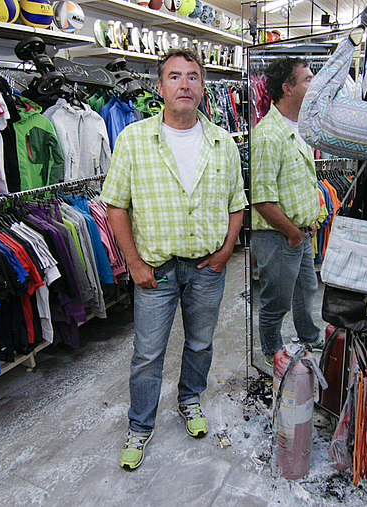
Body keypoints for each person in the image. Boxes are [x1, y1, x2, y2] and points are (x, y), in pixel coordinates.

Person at [101, 48, 246, 471]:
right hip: (155, 272)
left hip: (207, 268)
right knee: (148, 352)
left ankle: (189, 399)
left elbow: (238, 204)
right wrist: (134, 264)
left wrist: (224, 253)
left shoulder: (223, 143)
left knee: (200, 342)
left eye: (193, 77)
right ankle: (140, 425)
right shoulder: (133, 139)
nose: (185, 84)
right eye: (175, 76)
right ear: (160, 86)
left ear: (203, 86)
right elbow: (115, 206)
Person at [250, 56, 323, 364]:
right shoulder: (268, 135)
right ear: (287, 88)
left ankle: (308, 335)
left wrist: (311, 218)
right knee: (275, 301)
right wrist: (293, 233)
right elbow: (261, 198)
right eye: (307, 79)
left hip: (299, 232)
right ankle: (271, 351)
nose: (314, 83)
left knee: (306, 288)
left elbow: (302, 179)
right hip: (279, 235)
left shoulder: (299, 127)